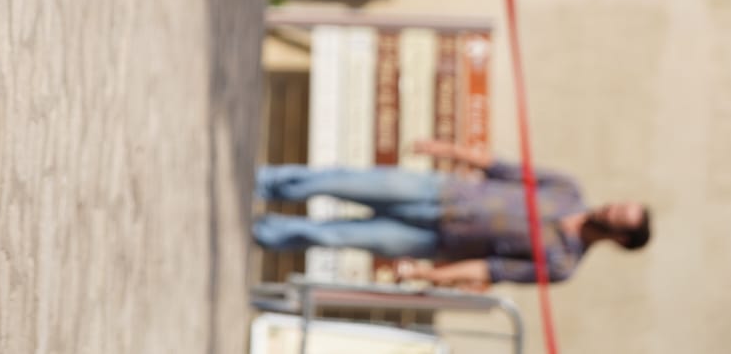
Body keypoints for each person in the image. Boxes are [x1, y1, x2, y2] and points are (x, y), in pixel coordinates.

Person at [250, 140, 650, 291]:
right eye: (618, 204)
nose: (609, 207)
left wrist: (429, 276)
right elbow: (502, 168)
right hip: (440, 192)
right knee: (345, 181)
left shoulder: (561, 265)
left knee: (339, 236)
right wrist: (448, 151)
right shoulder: (567, 189)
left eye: (619, 216)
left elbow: (489, 271)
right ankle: (265, 182)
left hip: (434, 241)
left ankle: (264, 232)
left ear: (620, 239)